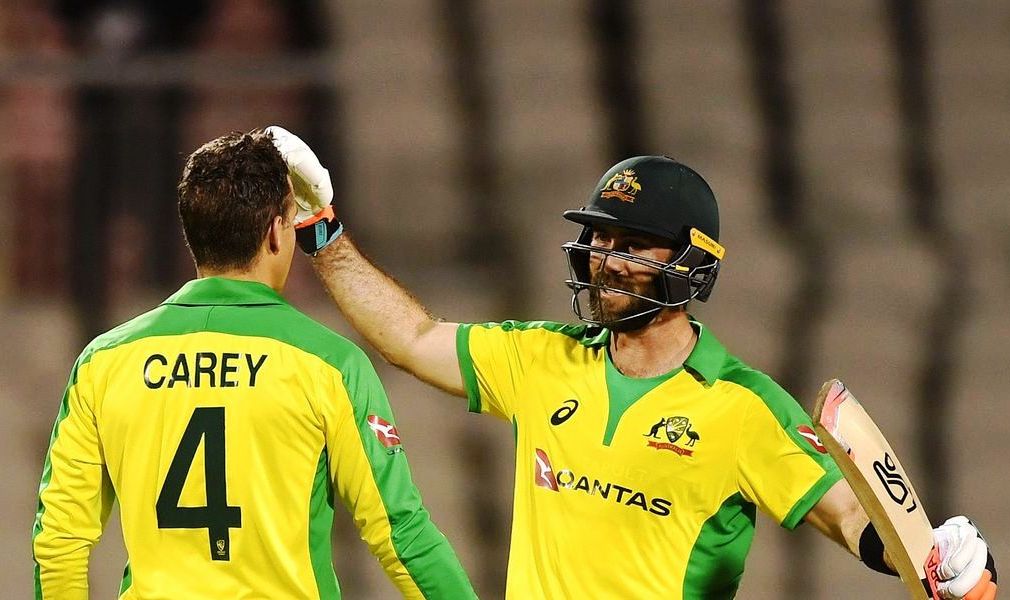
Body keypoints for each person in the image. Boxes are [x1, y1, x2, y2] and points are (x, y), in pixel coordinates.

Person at [279, 129, 997, 599]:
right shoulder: (542, 358)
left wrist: (934, 557)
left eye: (631, 244)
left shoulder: (743, 406)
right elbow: (410, 336)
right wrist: (322, 234)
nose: (606, 259)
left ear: (691, 263)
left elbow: (848, 516)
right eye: (600, 240)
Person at [31, 129, 477, 600]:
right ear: (275, 233)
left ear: (193, 234)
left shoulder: (104, 362)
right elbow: (400, 534)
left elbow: (59, 541)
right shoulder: (329, 364)